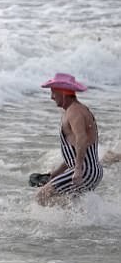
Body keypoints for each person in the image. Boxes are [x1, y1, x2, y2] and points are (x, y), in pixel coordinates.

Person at [35, 73, 103, 206]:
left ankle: (80, 212)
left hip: (84, 170)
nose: (51, 97)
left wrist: (78, 170)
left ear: (63, 93)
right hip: (89, 170)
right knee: (69, 200)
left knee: (42, 196)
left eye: (53, 92)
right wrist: (56, 173)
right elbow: (76, 149)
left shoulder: (75, 112)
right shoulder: (74, 110)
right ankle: (84, 219)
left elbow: (81, 139)